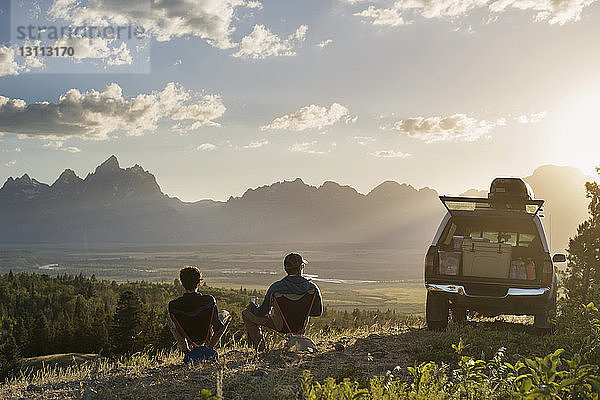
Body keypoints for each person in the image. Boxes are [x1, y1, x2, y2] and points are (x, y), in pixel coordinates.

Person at [242, 253, 323, 350]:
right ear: (301, 267)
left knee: (246, 314)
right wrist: (299, 310)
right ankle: (297, 341)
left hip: (280, 326)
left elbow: (261, 313)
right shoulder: (312, 288)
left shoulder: (276, 288)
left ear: (285, 269)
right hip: (300, 326)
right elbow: (317, 312)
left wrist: (253, 307)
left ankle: (261, 349)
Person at [168, 266, 231, 353]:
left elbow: (177, 328)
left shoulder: (173, 305)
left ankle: (185, 350)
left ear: (182, 284)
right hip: (206, 336)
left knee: (172, 324)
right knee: (225, 314)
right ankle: (209, 347)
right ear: (198, 283)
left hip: (188, 337)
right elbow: (217, 326)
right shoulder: (208, 300)